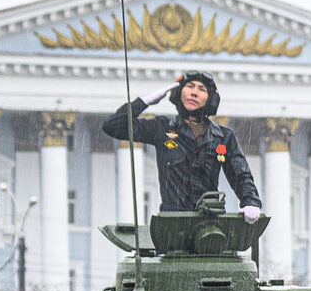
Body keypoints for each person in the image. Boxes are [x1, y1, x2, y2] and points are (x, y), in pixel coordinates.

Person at [102, 70, 263, 217]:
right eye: (190, 87)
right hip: (172, 222)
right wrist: (143, 102)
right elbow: (113, 127)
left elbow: (240, 173)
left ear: (210, 99)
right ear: (179, 93)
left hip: (209, 222)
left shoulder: (223, 136)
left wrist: (251, 201)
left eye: (202, 89)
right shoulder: (162, 128)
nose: (194, 93)